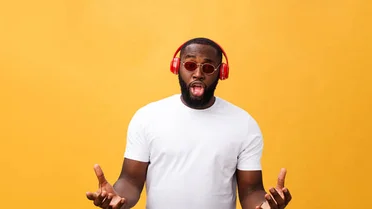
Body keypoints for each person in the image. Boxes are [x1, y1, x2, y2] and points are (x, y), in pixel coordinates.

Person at [85, 37, 292, 209]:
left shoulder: (244, 124)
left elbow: (251, 192)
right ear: (177, 67)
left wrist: (266, 206)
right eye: (190, 64)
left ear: (221, 72)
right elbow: (130, 181)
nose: (198, 73)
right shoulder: (147, 117)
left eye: (208, 67)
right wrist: (116, 198)